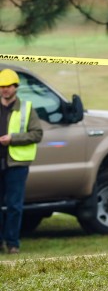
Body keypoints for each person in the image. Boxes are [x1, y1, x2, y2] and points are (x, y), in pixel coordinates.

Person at [0, 69, 43, 255]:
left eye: (8, 86)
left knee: (14, 206)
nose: (5, 90)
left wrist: (13, 139)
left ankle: (12, 244)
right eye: (2, 86)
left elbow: (37, 134)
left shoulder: (26, 108)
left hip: (16, 164)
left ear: (16, 87)